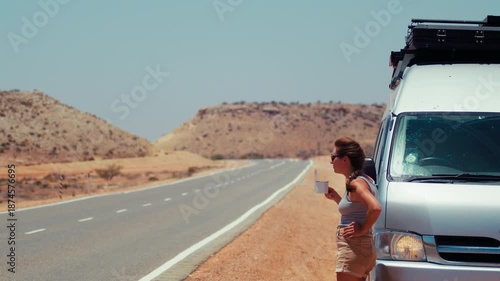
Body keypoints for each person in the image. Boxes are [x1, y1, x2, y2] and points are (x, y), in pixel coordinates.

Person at [324, 137, 381, 281]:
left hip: (354, 248)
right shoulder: (364, 179)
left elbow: (375, 208)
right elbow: (357, 210)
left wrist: (362, 229)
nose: (331, 161)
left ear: (345, 159)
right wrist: (337, 197)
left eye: (333, 157)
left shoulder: (357, 184)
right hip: (362, 248)